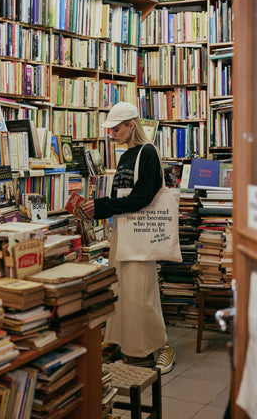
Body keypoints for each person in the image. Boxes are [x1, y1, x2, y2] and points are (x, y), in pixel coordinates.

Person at [82, 101, 176, 374]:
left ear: (131, 126)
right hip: (124, 231)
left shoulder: (148, 153)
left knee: (143, 292)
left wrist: (100, 207)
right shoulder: (125, 156)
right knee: (123, 291)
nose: (112, 134)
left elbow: (142, 198)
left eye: (116, 129)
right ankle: (132, 348)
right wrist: (94, 208)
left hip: (140, 234)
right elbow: (117, 198)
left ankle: (162, 346)